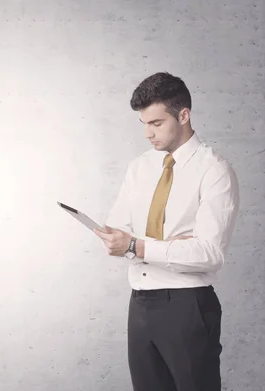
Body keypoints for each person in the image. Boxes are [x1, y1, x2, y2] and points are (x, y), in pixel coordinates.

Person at [93, 72, 240, 391]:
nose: (147, 133)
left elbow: (208, 254)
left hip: (188, 305)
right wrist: (163, 246)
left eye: (156, 123)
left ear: (184, 115)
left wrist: (138, 246)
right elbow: (118, 228)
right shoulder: (140, 167)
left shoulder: (214, 171)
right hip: (141, 304)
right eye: (143, 123)